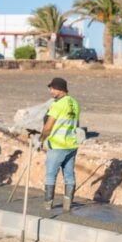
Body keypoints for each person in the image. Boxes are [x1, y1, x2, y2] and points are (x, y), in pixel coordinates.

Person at [39, 77, 81, 211]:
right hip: (71, 145)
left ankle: (47, 205)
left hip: (57, 146)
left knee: (51, 175)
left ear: (60, 89)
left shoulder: (58, 104)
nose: (51, 91)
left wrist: (40, 140)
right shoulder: (75, 103)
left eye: (53, 88)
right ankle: (67, 206)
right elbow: (76, 124)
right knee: (69, 175)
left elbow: (48, 127)